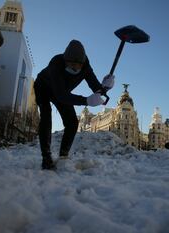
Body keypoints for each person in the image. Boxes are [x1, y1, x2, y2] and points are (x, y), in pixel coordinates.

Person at [34, 40, 115, 170]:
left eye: (77, 65)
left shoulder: (86, 67)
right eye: (71, 64)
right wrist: (86, 101)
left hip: (62, 92)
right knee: (46, 117)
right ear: (65, 60)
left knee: (72, 122)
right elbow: (61, 96)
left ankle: (63, 156)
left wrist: (105, 87)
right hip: (43, 87)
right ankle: (46, 157)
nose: (74, 68)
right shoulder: (56, 62)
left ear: (82, 63)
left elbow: (96, 88)